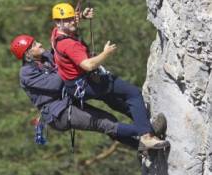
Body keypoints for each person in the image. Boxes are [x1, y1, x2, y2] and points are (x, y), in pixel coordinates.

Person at [10, 34, 166, 150]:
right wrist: (68, 67)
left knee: (109, 118)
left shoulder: (44, 58)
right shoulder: (26, 73)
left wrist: (78, 19)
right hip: (60, 113)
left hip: (69, 101)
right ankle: (147, 132)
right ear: (28, 54)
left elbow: (60, 49)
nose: (39, 44)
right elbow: (56, 83)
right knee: (105, 123)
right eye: (35, 44)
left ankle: (141, 145)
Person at [51, 3, 170, 151]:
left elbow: (70, 22)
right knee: (132, 94)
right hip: (87, 83)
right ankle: (147, 137)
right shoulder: (69, 45)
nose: (71, 21)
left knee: (114, 100)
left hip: (74, 87)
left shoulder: (56, 33)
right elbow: (88, 65)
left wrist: (81, 16)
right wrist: (105, 53)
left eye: (71, 18)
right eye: (66, 20)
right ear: (58, 22)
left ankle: (145, 124)